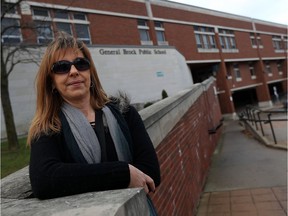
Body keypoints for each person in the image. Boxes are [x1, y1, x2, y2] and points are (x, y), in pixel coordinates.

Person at [27, 31, 161, 212]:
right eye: (62, 67)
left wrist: (85, 178)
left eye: (80, 64)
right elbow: (44, 179)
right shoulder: (48, 126)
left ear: (90, 73)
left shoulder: (125, 112)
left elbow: (151, 172)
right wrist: (123, 173)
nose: (73, 71)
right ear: (52, 82)